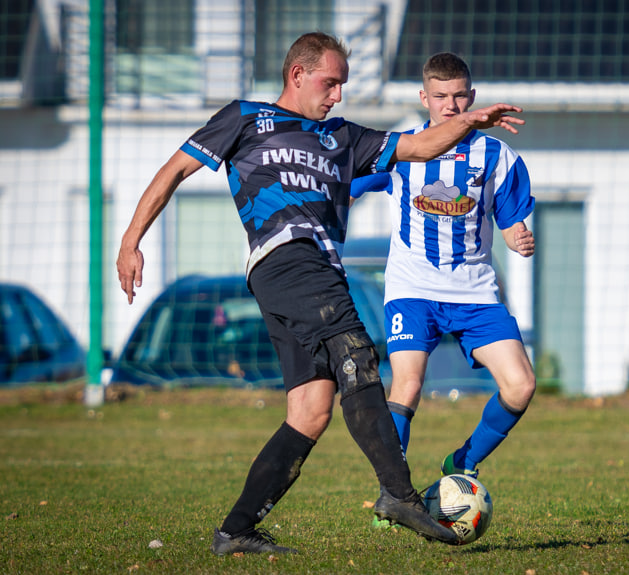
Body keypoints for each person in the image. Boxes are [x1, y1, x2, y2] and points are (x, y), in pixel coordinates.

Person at [116, 32, 525, 555]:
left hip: (312, 271)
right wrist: (131, 241)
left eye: (342, 86)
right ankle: (399, 496)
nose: (337, 95)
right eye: (330, 83)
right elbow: (176, 168)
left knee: (310, 410)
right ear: (297, 75)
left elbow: (418, 145)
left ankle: (235, 530)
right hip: (287, 257)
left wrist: (468, 121)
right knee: (357, 354)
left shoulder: (343, 137)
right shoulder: (245, 117)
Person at [350, 53, 536, 497]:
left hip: (474, 292)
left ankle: (464, 461)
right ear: (424, 98)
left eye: (458, 96)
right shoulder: (400, 149)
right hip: (412, 289)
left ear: (471, 97)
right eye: (440, 97)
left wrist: (517, 237)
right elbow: (346, 187)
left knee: (521, 385)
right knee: (408, 383)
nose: (449, 106)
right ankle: (394, 495)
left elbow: (511, 221)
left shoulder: (497, 155)